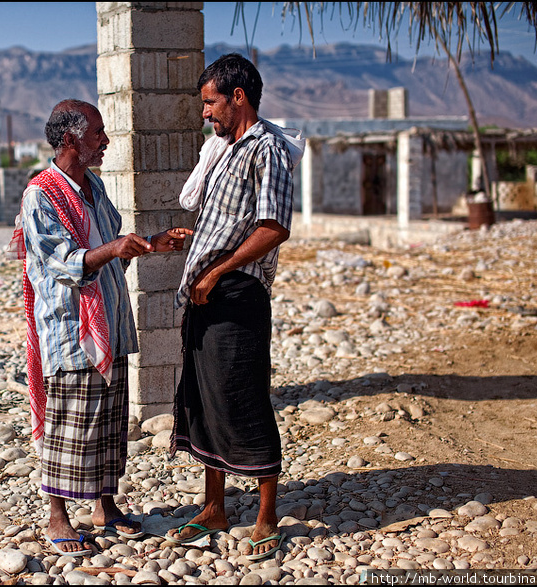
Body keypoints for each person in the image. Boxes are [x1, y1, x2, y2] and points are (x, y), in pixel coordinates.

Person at [8, 99, 193, 555]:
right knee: (70, 425)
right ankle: (57, 515)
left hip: (108, 320)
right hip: (71, 331)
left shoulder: (92, 186)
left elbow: (111, 242)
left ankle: (105, 506)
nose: (105, 141)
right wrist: (115, 249)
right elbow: (62, 263)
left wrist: (150, 244)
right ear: (69, 139)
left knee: (110, 421)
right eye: (97, 133)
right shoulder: (41, 195)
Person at [167, 53, 304, 561]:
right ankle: (214, 507)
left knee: (242, 395)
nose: (205, 112)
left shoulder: (266, 149)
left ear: (237, 97)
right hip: (206, 291)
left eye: (210, 102)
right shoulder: (223, 150)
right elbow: (229, 221)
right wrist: (198, 245)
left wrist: (219, 269)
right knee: (205, 397)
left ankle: (267, 514)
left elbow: (273, 227)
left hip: (238, 295)